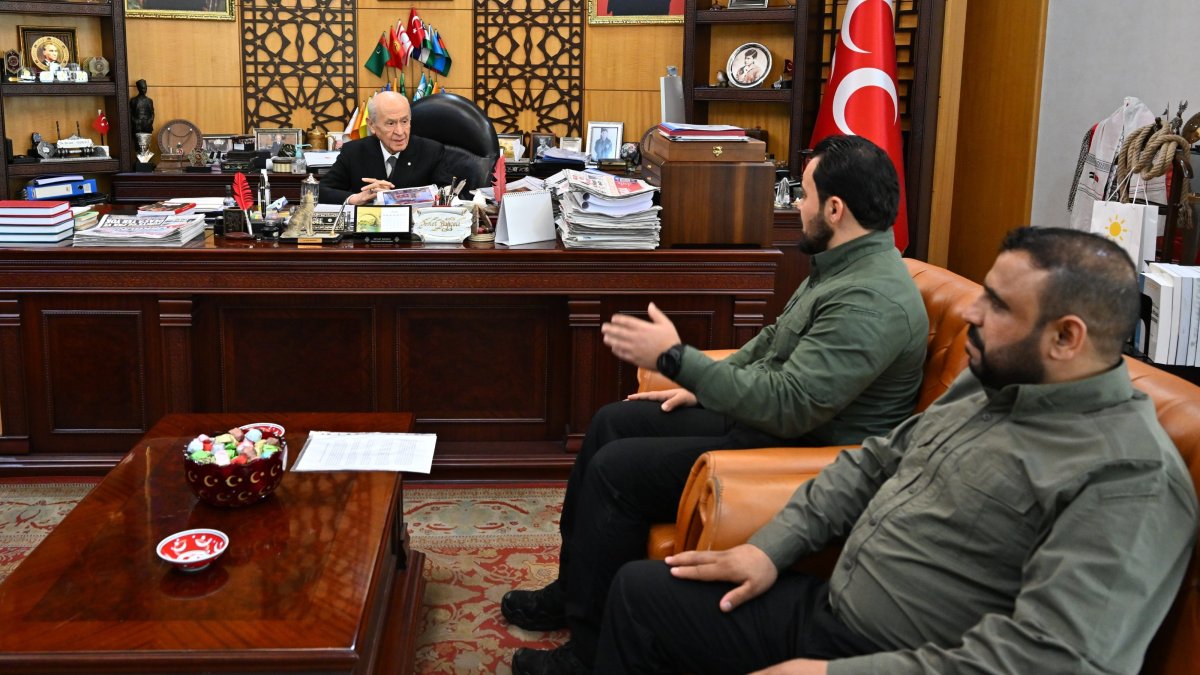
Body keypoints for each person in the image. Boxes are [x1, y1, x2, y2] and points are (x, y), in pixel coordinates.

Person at [595, 227, 1199, 675]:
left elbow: (1052, 661)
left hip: (901, 660)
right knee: (640, 594)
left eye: (997, 305)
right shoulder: (993, 381)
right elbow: (872, 462)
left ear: (1067, 337)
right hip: (831, 609)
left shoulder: (1129, 478)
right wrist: (768, 549)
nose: (970, 312)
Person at [505, 135, 929, 675]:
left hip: (795, 447)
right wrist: (707, 382)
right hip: (767, 422)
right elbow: (774, 341)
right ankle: (573, 593)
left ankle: (588, 655)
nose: (796, 206)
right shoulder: (843, 264)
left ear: (835, 209)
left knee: (618, 471)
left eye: (803, 195)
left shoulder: (871, 298)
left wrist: (685, 363)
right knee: (613, 422)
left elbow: (793, 405)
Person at [319, 91, 453, 205]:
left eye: (404, 121)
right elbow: (321, 191)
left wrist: (395, 198)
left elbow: (447, 194)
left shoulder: (432, 151)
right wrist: (356, 198)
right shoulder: (353, 151)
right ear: (371, 125)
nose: (400, 131)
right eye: (391, 123)